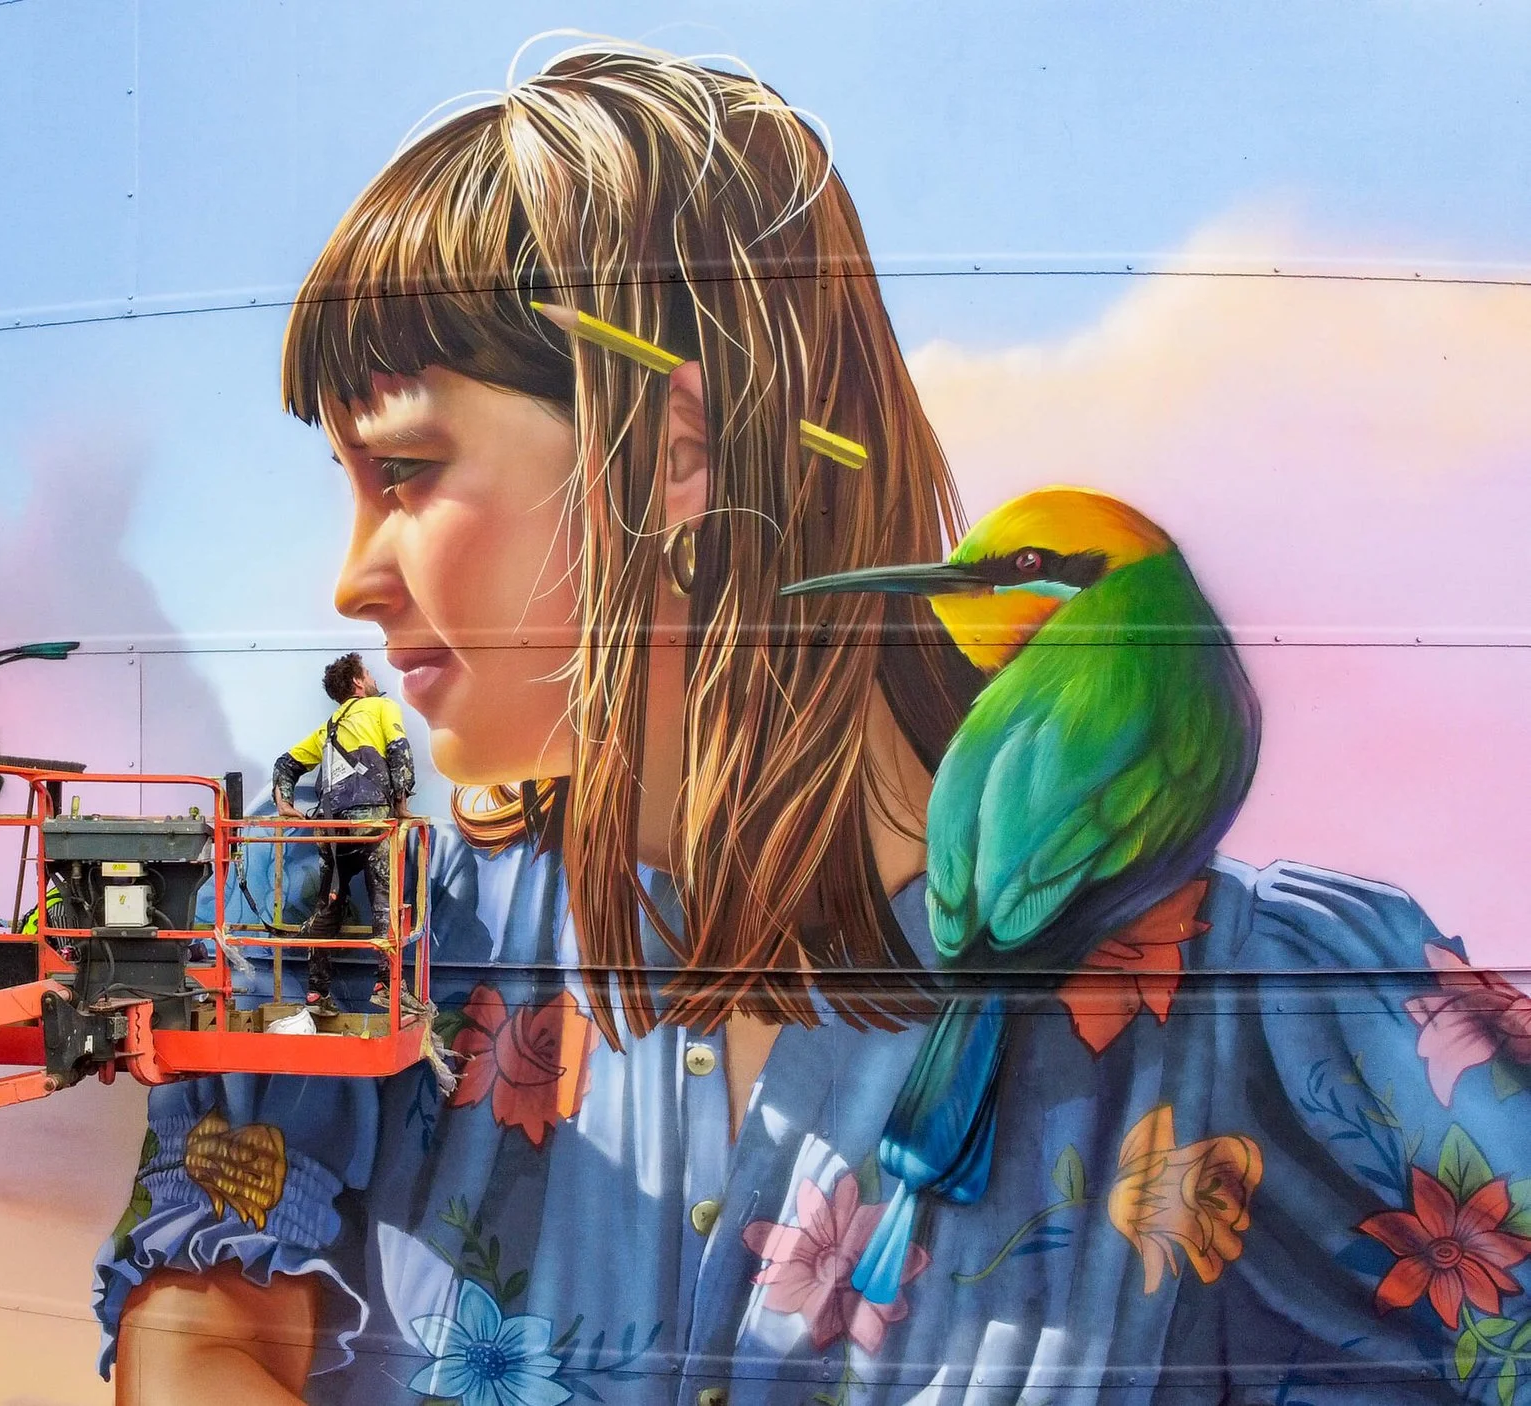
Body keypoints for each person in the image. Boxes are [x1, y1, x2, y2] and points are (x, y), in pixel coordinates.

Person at [95, 45, 1528, 1406]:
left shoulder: (1275, 1004)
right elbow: (201, 1325)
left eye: (405, 472)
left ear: (673, 451)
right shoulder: (358, 924)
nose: (350, 576)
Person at [271, 652, 415, 1010]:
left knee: (329, 902)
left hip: (332, 830)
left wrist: (284, 803)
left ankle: (316, 991)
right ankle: (387, 985)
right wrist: (401, 804)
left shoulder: (329, 727)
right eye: (369, 673)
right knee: (384, 899)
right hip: (370, 822)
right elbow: (399, 751)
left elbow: (285, 764)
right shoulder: (382, 708)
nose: (374, 679)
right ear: (358, 683)